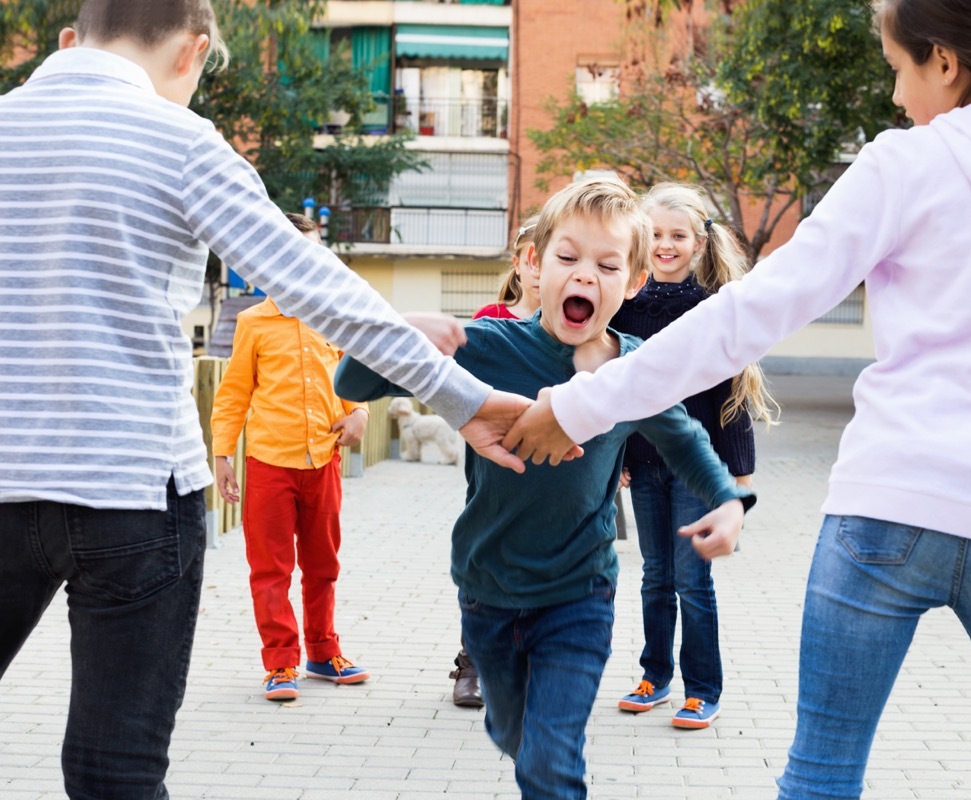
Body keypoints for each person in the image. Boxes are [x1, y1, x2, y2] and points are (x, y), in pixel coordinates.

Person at [503, 1, 971, 797]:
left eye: (897, 71)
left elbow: (747, 314)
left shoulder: (907, 164)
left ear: (944, 62)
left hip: (887, 513)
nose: (894, 96)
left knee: (822, 775)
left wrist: (578, 404)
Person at [0, 1, 527, 796]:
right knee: (115, 770)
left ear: (72, 39)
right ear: (194, 52)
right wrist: (463, 398)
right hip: (135, 493)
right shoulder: (179, 140)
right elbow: (311, 285)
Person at [335, 177, 756, 799]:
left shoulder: (630, 370)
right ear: (535, 264)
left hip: (579, 595)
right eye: (568, 258)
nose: (585, 274)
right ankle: (523, 739)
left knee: (549, 764)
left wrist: (727, 499)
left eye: (607, 265)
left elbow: (685, 439)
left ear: (633, 282)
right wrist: (399, 330)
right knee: (512, 733)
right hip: (488, 591)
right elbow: (356, 377)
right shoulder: (488, 344)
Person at [610, 183, 775, 730]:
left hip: (696, 469)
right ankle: (655, 676)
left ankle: (703, 689)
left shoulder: (714, 310)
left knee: (691, 581)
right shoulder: (625, 308)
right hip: (643, 464)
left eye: (677, 235)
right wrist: (615, 457)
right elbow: (614, 387)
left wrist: (739, 481)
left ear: (699, 242)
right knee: (654, 577)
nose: (665, 244)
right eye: (655, 234)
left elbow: (733, 398)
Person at [210, 213, 374, 701]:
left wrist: (360, 412)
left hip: (323, 460)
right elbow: (234, 393)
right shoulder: (253, 323)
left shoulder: (333, 315)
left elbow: (351, 378)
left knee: (323, 563)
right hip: (268, 464)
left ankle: (323, 653)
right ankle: (280, 663)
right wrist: (222, 455)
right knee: (271, 568)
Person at [446, 213, 544, 709]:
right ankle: (473, 664)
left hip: (553, 472)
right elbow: (459, 387)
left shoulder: (579, 329)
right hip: (492, 466)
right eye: (541, 259)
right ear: (524, 263)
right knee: (485, 559)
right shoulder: (490, 320)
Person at [474, 214, 541, 320]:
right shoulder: (490, 317)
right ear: (517, 265)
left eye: (544, 265)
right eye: (529, 263)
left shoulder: (571, 322)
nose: (538, 274)